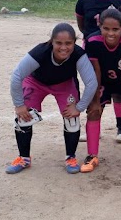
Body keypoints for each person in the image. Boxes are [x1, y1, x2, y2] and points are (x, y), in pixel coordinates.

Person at [7, 23, 98, 174]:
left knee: (72, 119)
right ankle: (24, 158)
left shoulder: (78, 54)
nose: (64, 47)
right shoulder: (40, 52)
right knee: (24, 117)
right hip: (36, 82)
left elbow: (91, 82)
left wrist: (79, 107)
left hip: (64, 84)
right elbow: (16, 76)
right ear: (52, 42)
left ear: (74, 43)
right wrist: (19, 105)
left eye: (68, 43)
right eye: (59, 43)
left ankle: (71, 158)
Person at [82, 8, 121, 173]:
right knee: (93, 112)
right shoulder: (92, 41)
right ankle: (92, 155)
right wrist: (95, 101)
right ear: (100, 26)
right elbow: (95, 72)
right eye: (106, 28)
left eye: (115, 29)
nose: (111, 33)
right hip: (103, 80)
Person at [75, 0, 121, 143]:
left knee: (118, 90)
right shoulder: (84, 1)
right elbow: (82, 26)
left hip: (115, 51)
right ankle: (93, 126)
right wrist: (93, 39)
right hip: (93, 50)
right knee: (94, 86)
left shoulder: (120, 1)